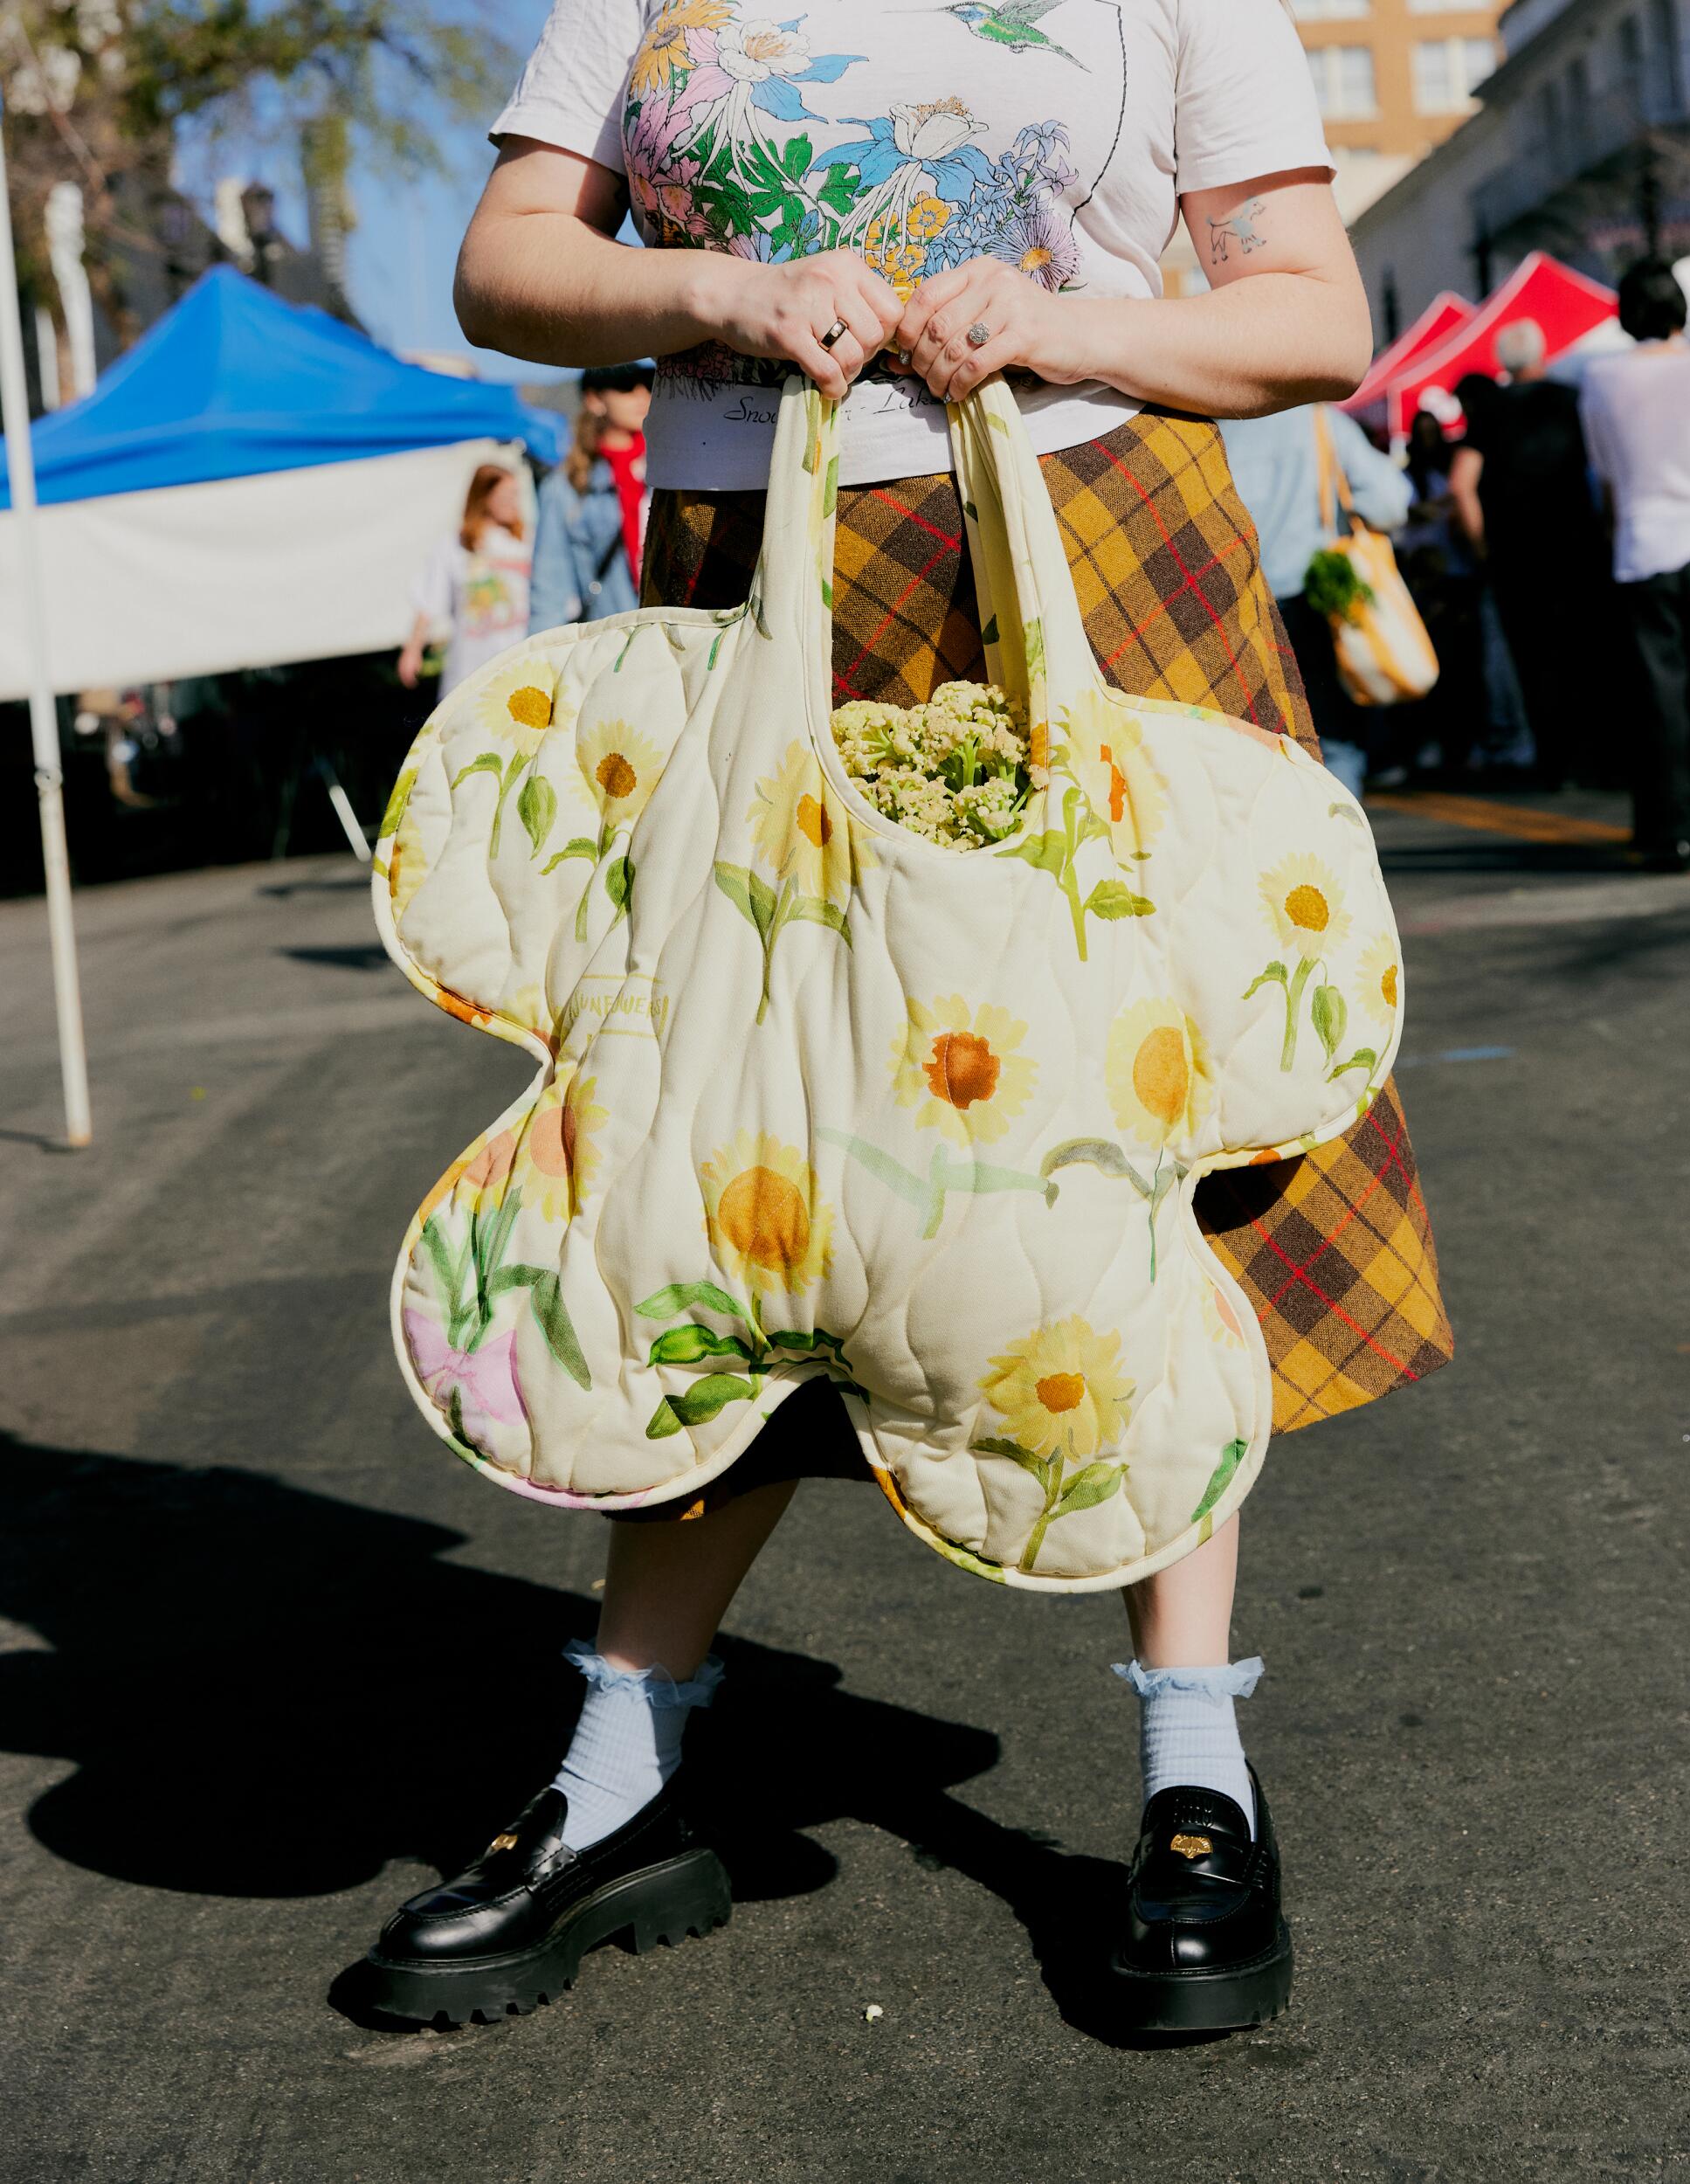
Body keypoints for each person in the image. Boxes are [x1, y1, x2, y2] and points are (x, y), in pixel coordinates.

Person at [358, 0, 1453, 2034]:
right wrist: (722, 287)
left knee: (1132, 1157)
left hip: (1092, 559)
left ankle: (1191, 1769)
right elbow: (506, 264)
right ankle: (618, 1774)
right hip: (740, 574)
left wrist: (1058, 329)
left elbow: (1306, 317)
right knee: (703, 1160)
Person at [1580, 257, 1690, 870]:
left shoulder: (1601, 378)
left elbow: (1605, 468)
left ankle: (1673, 834)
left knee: (1661, 699)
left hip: (1643, 547)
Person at [1446, 320, 1610, 789]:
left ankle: (1552, 762)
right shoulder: (1572, 399)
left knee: (1533, 661)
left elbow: (1461, 486)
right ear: (1542, 353)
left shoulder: (1490, 411)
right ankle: (1591, 758)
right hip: (1577, 549)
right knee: (1582, 651)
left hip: (1515, 558)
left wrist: (1481, 547)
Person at [1223, 402, 1411, 796]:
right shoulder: (1320, 421)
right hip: (1316, 598)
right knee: (1333, 732)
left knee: (1258, 739)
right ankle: (1340, 838)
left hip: (1241, 601)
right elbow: (1390, 503)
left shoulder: (1217, 423)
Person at [528, 361, 654, 632]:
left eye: (650, 383)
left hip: (681, 637)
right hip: (615, 642)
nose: (642, 394)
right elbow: (550, 590)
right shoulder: (566, 487)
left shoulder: (675, 470)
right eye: (624, 385)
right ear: (595, 399)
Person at [398, 464, 532, 697]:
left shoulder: (527, 541)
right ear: (484, 497)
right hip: (470, 669)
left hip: (520, 665)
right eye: (504, 496)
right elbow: (429, 600)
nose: (513, 503)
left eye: (515, 495)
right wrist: (413, 649)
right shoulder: (455, 545)